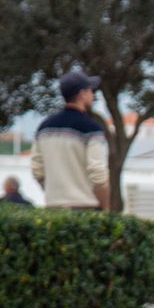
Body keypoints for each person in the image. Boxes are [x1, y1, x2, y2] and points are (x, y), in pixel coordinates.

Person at [31, 70, 109, 211]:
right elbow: (98, 173)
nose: (92, 94)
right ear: (82, 94)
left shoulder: (44, 128)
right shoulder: (91, 128)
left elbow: (37, 170)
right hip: (85, 207)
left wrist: (53, 193)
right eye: (90, 90)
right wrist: (104, 206)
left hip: (53, 208)